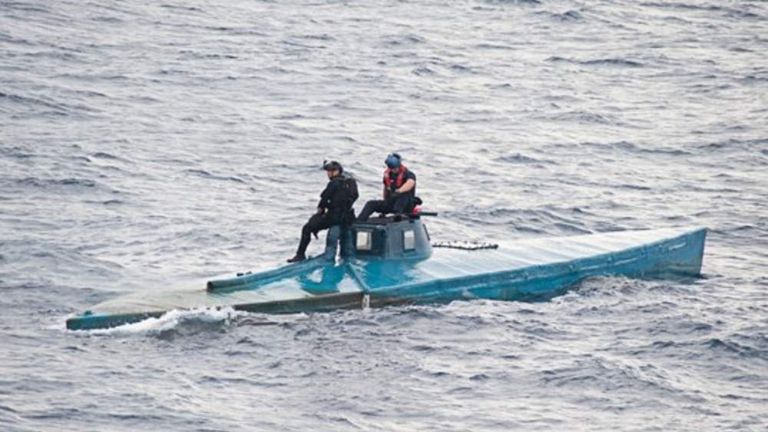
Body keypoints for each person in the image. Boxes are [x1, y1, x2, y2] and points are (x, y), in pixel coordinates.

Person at [287, 160, 358, 263]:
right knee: (347, 247)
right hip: (348, 218)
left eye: (330, 171)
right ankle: (346, 259)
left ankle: (300, 255)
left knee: (307, 228)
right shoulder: (351, 182)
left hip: (334, 218)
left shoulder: (334, 183)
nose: (328, 174)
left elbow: (323, 201)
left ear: (337, 171)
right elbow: (355, 196)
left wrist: (317, 216)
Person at [357, 153, 417, 221]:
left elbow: (410, 183)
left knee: (403, 195)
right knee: (371, 204)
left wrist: (399, 191)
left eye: (395, 168)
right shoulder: (388, 175)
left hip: (405, 205)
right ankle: (360, 220)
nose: (394, 170)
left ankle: (398, 215)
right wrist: (385, 203)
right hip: (392, 203)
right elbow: (386, 189)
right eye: (392, 168)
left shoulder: (408, 174)